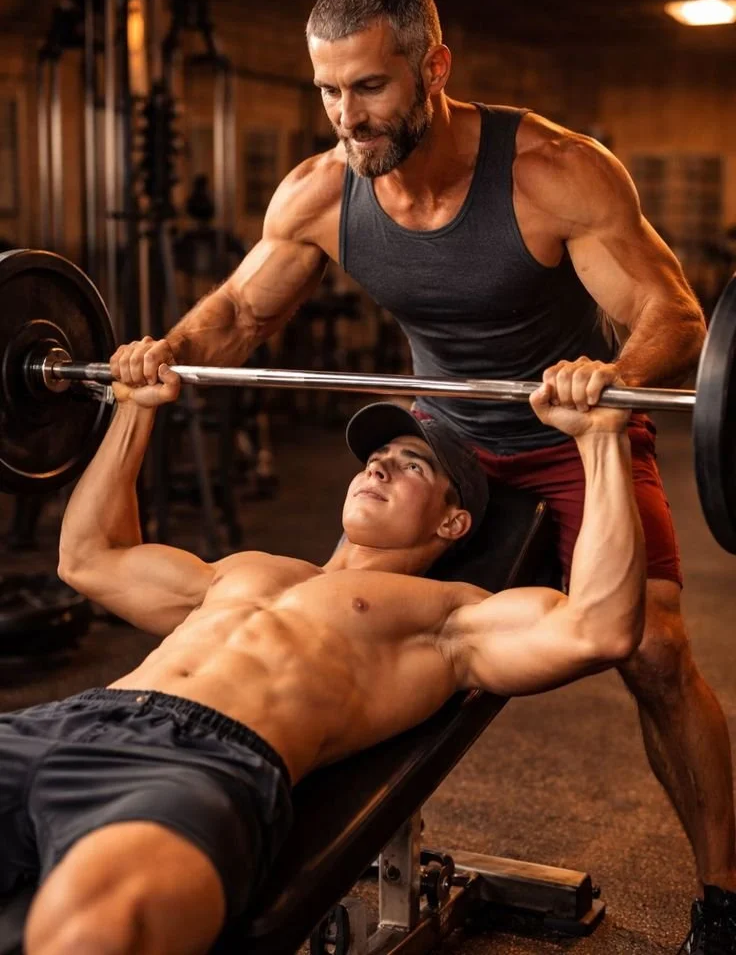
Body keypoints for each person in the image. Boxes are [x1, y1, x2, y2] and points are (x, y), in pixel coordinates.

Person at [109, 0, 734, 950]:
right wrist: (160, 352)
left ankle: (724, 893)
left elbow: (674, 314)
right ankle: (274, 844)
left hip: (569, 431)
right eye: (327, 93)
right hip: (438, 436)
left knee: (653, 650)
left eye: (366, 89)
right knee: (332, 624)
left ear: (432, 67)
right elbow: (237, 315)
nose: (345, 118)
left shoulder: (551, 171)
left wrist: (609, 377)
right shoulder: (321, 192)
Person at [1, 370, 640, 955]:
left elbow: (598, 628)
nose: (379, 469)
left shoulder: (447, 617)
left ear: (453, 522)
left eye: (411, 464)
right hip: (70, 719)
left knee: (95, 928)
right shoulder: (245, 570)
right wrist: (133, 408)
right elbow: (88, 557)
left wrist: (602, 439)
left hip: (198, 764)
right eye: (374, 459)